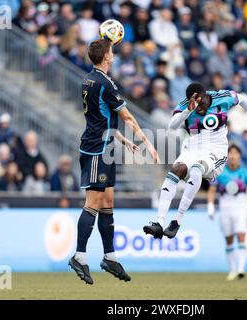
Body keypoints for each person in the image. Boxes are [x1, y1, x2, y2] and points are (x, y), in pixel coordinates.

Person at [69, 39, 159, 285]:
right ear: (105, 57)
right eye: (111, 51)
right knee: (94, 202)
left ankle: (110, 257)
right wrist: (147, 142)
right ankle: (79, 256)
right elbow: (127, 116)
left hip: (105, 145)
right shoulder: (106, 83)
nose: (114, 54)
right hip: (97, 149)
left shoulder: (89, 79)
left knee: (107, 201)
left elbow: (100, 116)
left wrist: (120, 139)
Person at [143, 82, 247, 240]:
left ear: (206, 97)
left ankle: (176, 221)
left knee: (196, 169)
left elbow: (242, 99)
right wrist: (187, 111)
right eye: (193, 104)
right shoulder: (186, 105)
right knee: (175, 170)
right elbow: (171, 126)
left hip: (216, 148)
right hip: (193, 145)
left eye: (200, 103)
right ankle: (159, 223)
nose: (197, 107)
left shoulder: (222, 98)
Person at [207, 144, 247, 280]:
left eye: (235, 153)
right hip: (225, 207)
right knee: (228, 239)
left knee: (241, 236)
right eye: (230, 153)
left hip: (240, 207)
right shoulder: (219, 172)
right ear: (227, 156)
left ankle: (241, 269)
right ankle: (232, 269)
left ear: (239, 156)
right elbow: (212, 190)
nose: (233, 156)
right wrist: (210, 206)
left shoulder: (246, 173)